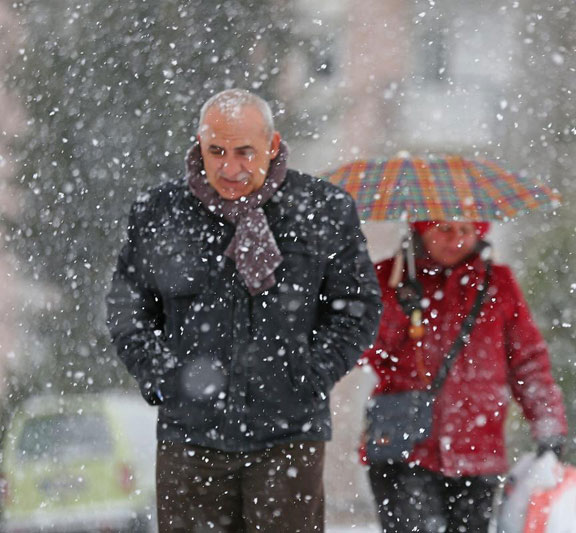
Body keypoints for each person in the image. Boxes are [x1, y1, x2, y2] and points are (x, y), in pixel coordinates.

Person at [106, 88, 382, 532]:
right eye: (216, 151)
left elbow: (358, 309)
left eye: (243, 152)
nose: (229, 168)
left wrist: (309, 376)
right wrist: (164, 378)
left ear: (272, 147)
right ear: (199, 144)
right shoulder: (161, 212)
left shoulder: (323, 211)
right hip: (190, 441)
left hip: (289, 438)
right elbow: (128, 310)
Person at [361, 220, 568, 533]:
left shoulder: (498, 283)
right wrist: (398, 306)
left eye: (465, 230)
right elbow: (364, 350)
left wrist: (548, 423)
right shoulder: (390, 277)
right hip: (403, 449)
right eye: (443, 228)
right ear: (422, 230)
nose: (455, 239)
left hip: (478, 450)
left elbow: (527, 361)